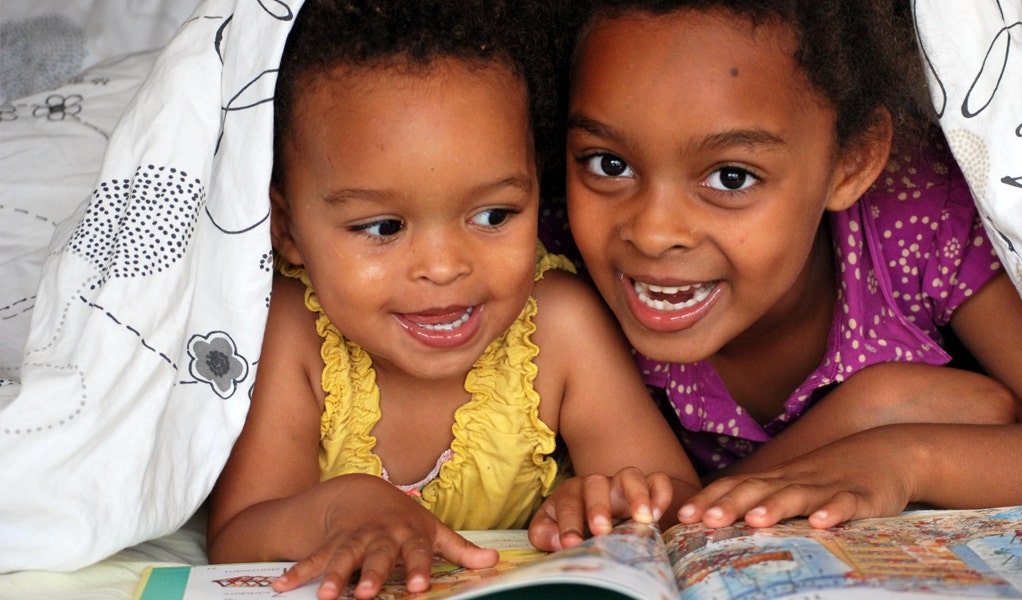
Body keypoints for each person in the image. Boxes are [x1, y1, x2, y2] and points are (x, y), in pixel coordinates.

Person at [558, 0, 1022, 532]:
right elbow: (673, 523)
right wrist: (870, 409)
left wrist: (906, 455)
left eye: (731, 176)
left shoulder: (914, 219)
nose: (653, 232)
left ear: (853, 163)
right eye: (607, 164)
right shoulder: (548, 265)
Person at [205, 2, 699, 599]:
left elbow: (677, 496)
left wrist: (615, 498)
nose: (443, 267)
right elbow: (236, 534)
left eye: (494, 215)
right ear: (286, 228)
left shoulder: (559, 327)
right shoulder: (293, 333)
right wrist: (340, 509)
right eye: (383, 227)